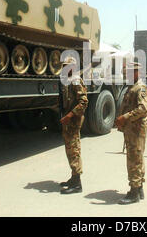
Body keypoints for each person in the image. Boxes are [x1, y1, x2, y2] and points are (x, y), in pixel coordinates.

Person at [115, 62, 147, 204]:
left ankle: (134, 192)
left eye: (129, 72)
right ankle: (139, 188)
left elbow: (143, 109)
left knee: (134, 159)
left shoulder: (139, 88)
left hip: (136, 129)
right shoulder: (133, 87)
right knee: (137, 157)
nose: (126, 74)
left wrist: (125, 117)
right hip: (132, 129)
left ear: (136, 72)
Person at [59, 56, 88, 194]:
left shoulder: (76, 80)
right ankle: (73, 177)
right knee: (70, 150)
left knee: (74, 150)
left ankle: (77, 184)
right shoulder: (67, 80)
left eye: (67, 66)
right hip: (67, 122)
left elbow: (83, 102)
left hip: (73, 121)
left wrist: (69, 116)